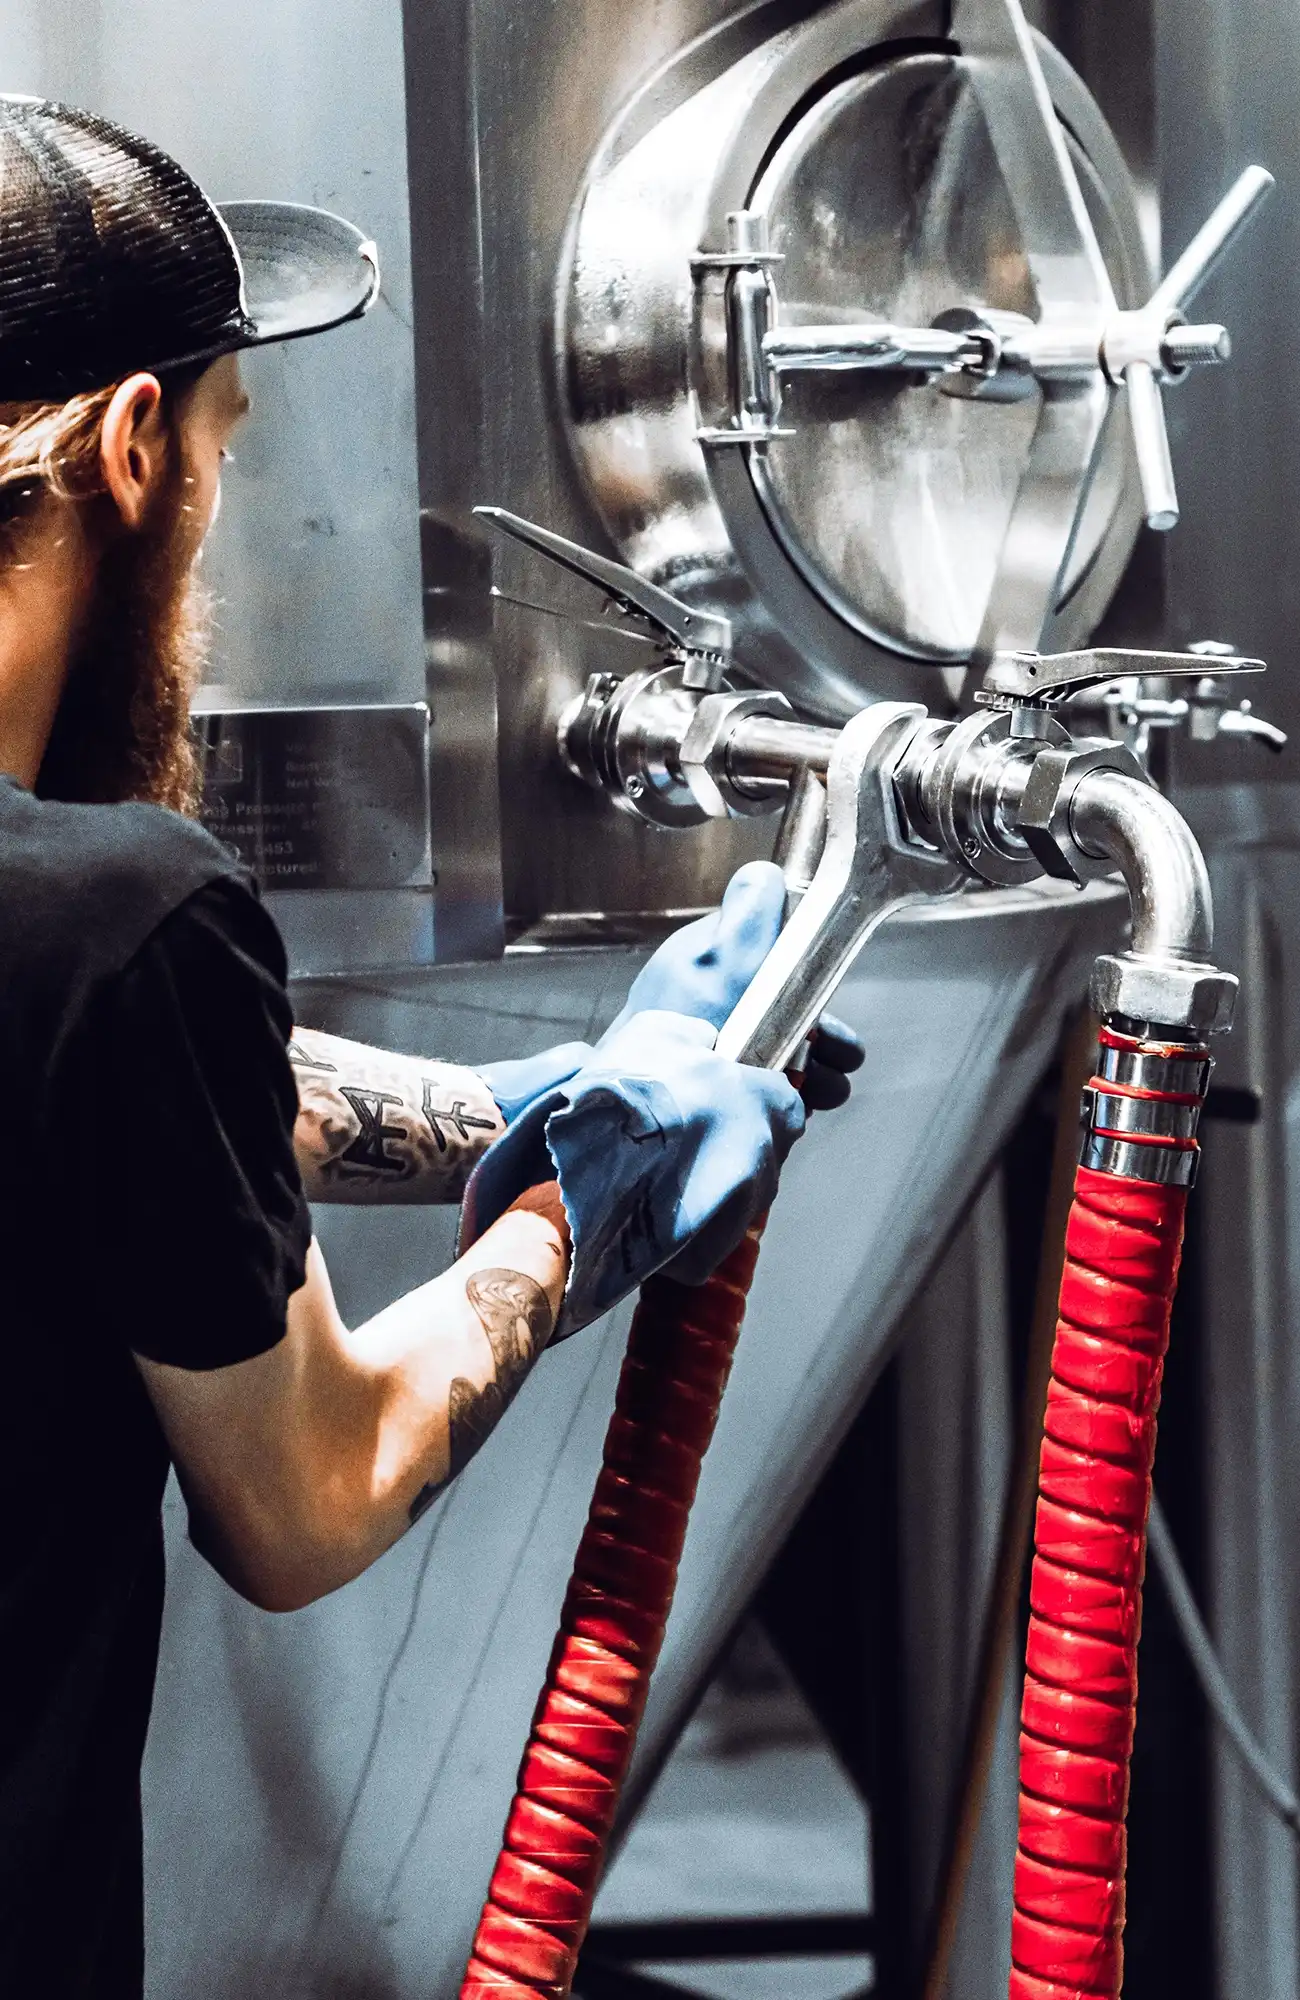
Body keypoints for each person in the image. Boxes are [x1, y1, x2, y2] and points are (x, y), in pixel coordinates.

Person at [0, 94, 864, 1998]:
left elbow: (81, 1107)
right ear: (133, 447)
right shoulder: (123, 912)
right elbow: (304, 1498)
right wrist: (574, 1221)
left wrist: (498, 1103)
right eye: (225, 446)